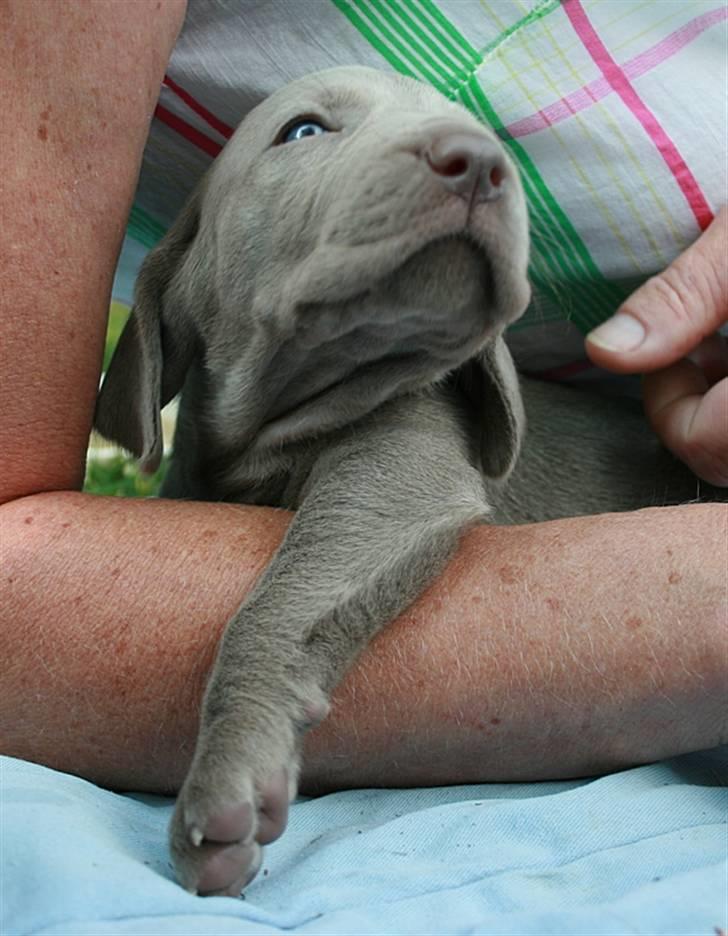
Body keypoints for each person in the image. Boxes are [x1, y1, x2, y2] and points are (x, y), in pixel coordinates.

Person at [1, 0, 725, 797]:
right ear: (175, 295)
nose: (470, 161)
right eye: (308, 132)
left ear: (490, 364)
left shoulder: (415, 414)